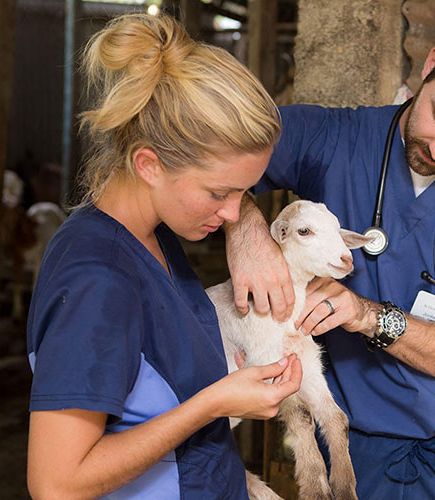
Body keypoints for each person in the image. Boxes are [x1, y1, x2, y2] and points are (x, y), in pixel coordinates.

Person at [224, 15, 435, 499]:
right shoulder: (332, 139)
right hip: (353, 450)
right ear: (430, 66)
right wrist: (246, 228)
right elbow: (205, 157)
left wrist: (367, 315)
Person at [25, 14, 302, 499]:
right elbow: (56, 484)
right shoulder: (98, 277)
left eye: (245, 193)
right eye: (220, 192)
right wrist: (212, 404)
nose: (235, 211)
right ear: (148, 164)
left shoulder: (155, 236)